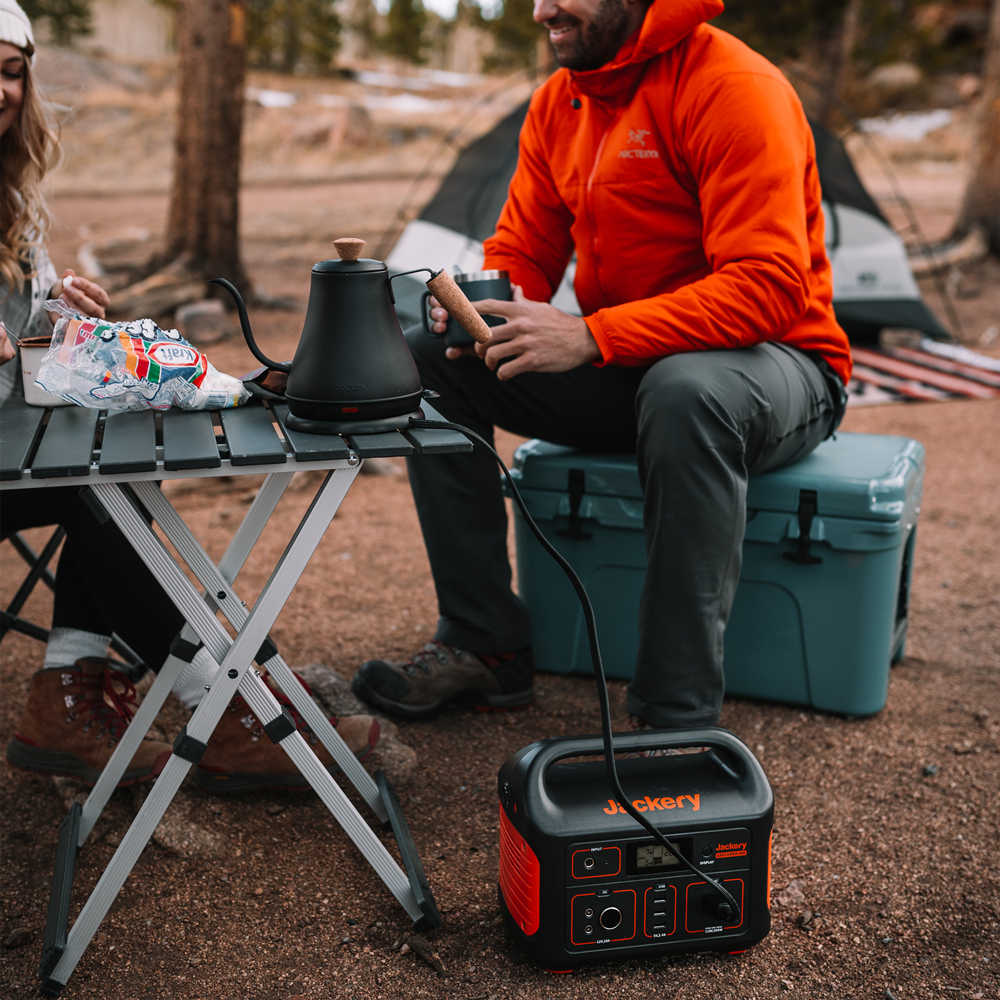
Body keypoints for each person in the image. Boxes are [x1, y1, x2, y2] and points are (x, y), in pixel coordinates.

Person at [352, 0, 852, 731]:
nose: (540, 10)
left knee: (689, 392)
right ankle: (484, 644)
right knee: (435, 358)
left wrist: (589, 337)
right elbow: (525, 246)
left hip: (776, 365)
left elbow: (768, 289)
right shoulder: (561, 100)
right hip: (637, 367)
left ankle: (674, 713)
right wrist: (484, 305)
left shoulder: (734, 87)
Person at [0, 0, 382, 790]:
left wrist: (54, 306)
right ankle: (228, 710)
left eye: (11, 72)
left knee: (119, 456)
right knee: (99, 484)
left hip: (13, 436)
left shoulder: (9, 190)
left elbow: (18, 341)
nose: (2, 90)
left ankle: (68, 694)